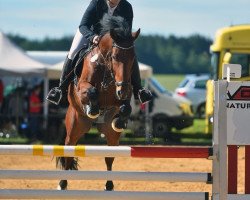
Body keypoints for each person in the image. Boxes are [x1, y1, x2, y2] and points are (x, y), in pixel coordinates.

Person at [47, 0, 152, 105]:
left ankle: (138, 89)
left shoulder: (127, 6)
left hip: (113, 39)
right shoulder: (96, 3)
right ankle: (60, 89)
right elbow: (83, 25)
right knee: (73, 51)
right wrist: (93, 37)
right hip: (91, 33)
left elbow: (126, 31)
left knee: (128, 53)